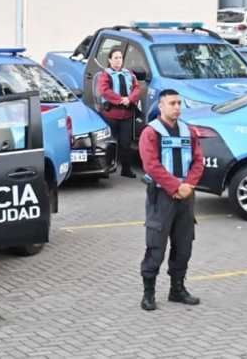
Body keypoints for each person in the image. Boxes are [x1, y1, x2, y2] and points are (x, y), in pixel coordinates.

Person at [138, 89, 204, 311]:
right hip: (161, 197)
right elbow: (151, 165)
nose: (177, 107)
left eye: (179, 103)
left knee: (184, 245)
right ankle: (148, 294)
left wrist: (188, 186)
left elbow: (198, 161)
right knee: (156, 245)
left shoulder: (188, 131)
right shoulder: (150, 133)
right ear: (161, 106)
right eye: (172, 103)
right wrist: (175, 186)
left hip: (185, 197)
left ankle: (177, 289)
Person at [97, 46, 141, 178]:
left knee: (125, 143)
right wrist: (120, 100)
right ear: (110, 60)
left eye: (120, 58)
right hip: (111, 114)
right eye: (115, 58)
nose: (118, 61)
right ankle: (106, 169)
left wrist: (130, 99)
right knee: (109, 143)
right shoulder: (106, 74)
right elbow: (104, 90)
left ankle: (126, 169)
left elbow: (137, 89)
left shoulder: (129, 74)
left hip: (127, 114)